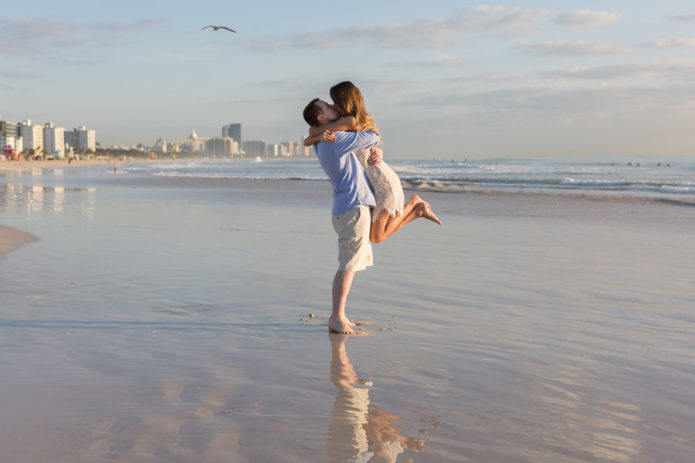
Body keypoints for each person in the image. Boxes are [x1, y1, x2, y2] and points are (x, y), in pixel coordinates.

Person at [305, 81, 441, 244]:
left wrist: (317, 133)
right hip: (377, 182)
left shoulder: (350, 122)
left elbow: (313, 131)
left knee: (376, 237)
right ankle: (418, 210)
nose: (333, 106)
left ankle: (415, 205)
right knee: (376, 236)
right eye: (330, 104)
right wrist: (318, 135)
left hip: (383, 183)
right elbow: (312, 132)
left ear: (345, 102)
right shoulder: (343, 123)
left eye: (335, 102)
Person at [303, 98, 382, 335]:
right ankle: (336, 317)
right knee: (347, 265)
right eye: (328, 107)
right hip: (352, 208)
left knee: (350, 263)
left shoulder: (327, 137)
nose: (333, 107)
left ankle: (341, 315)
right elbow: (372, 135)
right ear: (321, 117)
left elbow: (370, 142)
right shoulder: (335, 138)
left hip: (349, 207)